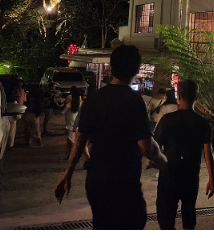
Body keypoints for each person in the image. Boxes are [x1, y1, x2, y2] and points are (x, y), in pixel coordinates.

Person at [54, 45, 167, 230]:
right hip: (124, 182)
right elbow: (146, 146)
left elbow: (80, 140)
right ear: (135, 70)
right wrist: (164, 161)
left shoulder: (93, 98)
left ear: (112, 67)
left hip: (97, 181)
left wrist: (67, 173)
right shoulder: (134, 101)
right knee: (133, 223)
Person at [153, 80, 214, 230]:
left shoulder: (167, 120)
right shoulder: (203, 123)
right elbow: (208, 151)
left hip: (169, 175)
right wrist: (211, 179)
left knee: (166, 218)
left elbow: (154, 145)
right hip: (190, 176)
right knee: (188, 215)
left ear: (178, 96)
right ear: (196, 97)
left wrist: (154, 161)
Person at [62, 86, 82, 159]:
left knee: (70, 140)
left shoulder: (69, 103)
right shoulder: (80, 103)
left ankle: (70, 155)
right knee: (74, 139)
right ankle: (72, 154)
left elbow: (63, 112)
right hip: (76, 122)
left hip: (69, 122)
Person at [7, 80, 27, 150]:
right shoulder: (15, 93)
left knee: (11, 129)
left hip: (16, 110)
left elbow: (24, 100)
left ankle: (10, 144)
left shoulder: (22, 90)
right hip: (13, 112)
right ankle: (10, 144)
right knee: (11, 130)